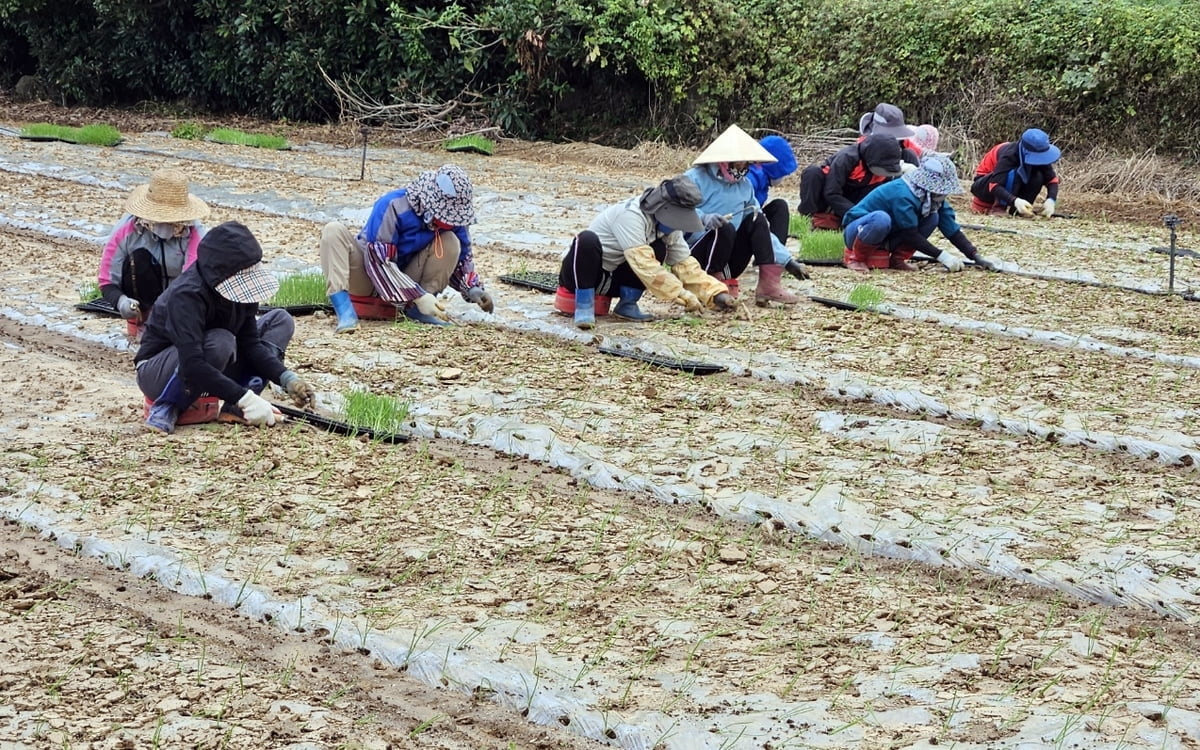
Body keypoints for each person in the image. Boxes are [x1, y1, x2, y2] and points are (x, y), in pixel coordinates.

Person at [135, 221, 316, 434]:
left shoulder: (243, 295)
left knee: (280, 320)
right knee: (221, 341)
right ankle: (168, 406)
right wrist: (244, 398)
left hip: (214, 360)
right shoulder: (186, 296)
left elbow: (251, 346)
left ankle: (234, 407)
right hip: (161, 371)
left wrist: (287, 379)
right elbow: (192, 363)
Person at [319, 164, 492, 332]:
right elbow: (379, 262)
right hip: (365, 275)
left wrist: (472, 288)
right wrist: (418, 295)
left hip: (408, 276)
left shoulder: (453, 221)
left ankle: (419, 310)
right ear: (429, 204)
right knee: (333, 230)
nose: (450, 221)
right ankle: (345, 312)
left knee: (451, 241)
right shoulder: (393, 205)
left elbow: (462, 258)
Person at [557, 175, 734, 329]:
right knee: (587, 239)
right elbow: (644, 265)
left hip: (612, 282)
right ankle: (584, 306)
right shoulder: (630, 216)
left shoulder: (669, 229)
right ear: (662, 209)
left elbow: (685, 264)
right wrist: (681, 294)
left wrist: (716, 294)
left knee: (658, 247)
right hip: (582, 276)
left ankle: (628, 304)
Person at [685, 124, 809, 307]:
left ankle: (769, 283)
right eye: (738, 162)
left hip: (729, 258)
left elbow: (763, 228)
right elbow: (677, 211)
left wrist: (787, 260)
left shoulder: (745, 187)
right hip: (699, 255)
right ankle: (711, 284)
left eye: (746, 162)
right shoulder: (695, 178)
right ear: (725, 160)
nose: (742, 166)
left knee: (756, 219)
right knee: (724, 227)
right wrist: (704, 218)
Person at [97, 168, 210, 334]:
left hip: (180, 301)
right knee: (139, 259)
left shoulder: (195, 235)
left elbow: (191, 282)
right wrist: (121, 302)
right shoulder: (127, 230)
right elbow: (107, 281)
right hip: (143, 295)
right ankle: (140, 323)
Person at [841, 153, 996, 273]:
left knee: (933, 217)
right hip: (859, 230)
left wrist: (976, 256)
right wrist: (942, 255)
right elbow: (910, 234)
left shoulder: (933, 200)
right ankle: (857, 258)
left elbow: (951, 229)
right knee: (881, 219)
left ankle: (898, 259)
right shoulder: (903, 194)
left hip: (888, 234)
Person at [798, 134, 904, 230]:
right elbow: (831, 192)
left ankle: (841, 221)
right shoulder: (848, 157)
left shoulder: (886, 172)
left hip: (854, 197)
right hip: (829, 193)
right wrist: (856, 213)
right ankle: (808, 217)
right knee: (812, 173)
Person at [970, 128, 1061, 217]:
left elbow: (1052, 180)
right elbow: (994, 185)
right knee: (1013, 173)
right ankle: (998, 208)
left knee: (1037, 176)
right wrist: (1015, 201)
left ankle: (1021, 210)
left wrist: (1051, 200)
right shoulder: (1009, 155)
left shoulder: (1040, 157)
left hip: (1002, 187)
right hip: (984, 186)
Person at [746, 135, 799, 249]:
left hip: (749, 222)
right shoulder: (751, 179)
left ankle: (773, 254)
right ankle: (772, 256)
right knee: (779, 208)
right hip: (741, 228)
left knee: (779, 206)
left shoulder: (761, 178)